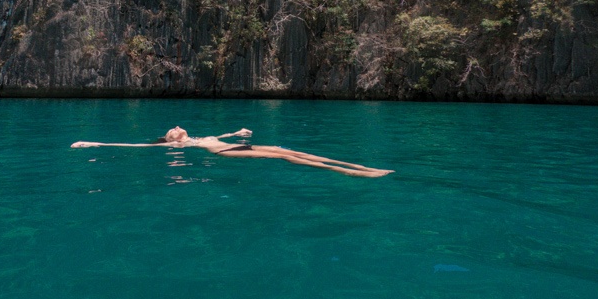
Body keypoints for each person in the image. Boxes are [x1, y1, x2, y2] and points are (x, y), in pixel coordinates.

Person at [71, 126, 393, 178]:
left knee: (298, 150)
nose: (177, 127)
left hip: (237, 142)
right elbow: (135, 146)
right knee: (283, 156)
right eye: (171, 130)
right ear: (170, 140)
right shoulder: (182, 144)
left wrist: (236, 133)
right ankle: (349, 172)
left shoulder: (199, 134)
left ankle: (362, 165)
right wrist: (94, 144)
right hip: (227, 154)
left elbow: (219, 134)